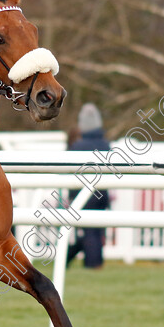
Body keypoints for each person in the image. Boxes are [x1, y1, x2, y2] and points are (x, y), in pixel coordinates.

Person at [66, 103, 111, 269]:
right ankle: (96, 262)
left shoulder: (77, 146)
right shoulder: (106, 144)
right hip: (102, 193)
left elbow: (69, 171)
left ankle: (92, 264)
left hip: (83, 194)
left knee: (89, 231)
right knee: (97, 230)